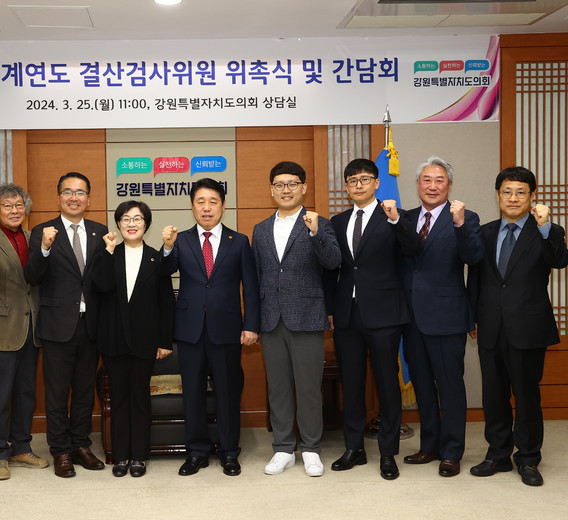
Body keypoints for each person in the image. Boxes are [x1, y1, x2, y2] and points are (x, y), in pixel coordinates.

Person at [468, 166, 568, 487]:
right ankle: (498, 454)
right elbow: (476, 280)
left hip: (528, 327)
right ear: (497, 195)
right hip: (490, 326)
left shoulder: (546, 231)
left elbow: (559, 260)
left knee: (526, 397)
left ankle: (528, 458)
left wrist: (545, 226)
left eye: (521, 192)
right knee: (493, 396)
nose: (513, 198)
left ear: (532, 196)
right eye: (507, 192)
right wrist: (472, 317)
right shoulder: (484, 233)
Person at [325, 158, 423, 480]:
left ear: (377, 183)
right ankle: (354, 449)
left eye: (364, 179)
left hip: (384, 314)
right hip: (347, 316)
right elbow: (333, 269)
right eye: (352, 180)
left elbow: (414, 250)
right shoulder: (338, 221)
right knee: (352, 385)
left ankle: (388, 452)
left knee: (386, 384)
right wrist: (330, 308)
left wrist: (395, 221)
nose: (358, 185)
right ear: (346, 186)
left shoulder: (395, 215)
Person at [162, 177, 260, 477]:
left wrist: (251, 325)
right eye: (200, 202)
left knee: (227, 392)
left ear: (223, 206)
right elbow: (164, 272)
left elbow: (251, 287)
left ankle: (229, 452)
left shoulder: (239, 241)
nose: (207, 208)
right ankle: (197, 452)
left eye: (213, 202)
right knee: (192, 393)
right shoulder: (180, 240)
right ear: (192, 207)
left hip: (227, 328)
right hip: (190, 329)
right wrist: (166, 248)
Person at [251, 161, 341, 477]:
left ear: (303, 187)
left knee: (308, 388)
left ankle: (312, 449)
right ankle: (283, 448)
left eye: (292, 184)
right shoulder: (260, 229)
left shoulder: (319, 223)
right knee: (277, 388)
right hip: (271, 318)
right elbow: (258, 276)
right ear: (271, 190)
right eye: (279, 184)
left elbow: (333, 262)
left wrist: (316, 233)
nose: (286, 189)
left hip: (307, 316)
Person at [399, 157, 483, 478]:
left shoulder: (465, 217)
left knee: (450, 388)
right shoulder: (405, 218)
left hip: (447, 317)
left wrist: (460, 225)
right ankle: (430, 445)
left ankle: (451, 451)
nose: (432, 186)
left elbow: (473, 257)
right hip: (411, 319)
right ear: (417, 184)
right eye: (426, 180)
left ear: (449, 185)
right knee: (422, 386)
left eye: (439, 180)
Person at [24, 172, 109, 478]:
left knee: (85, 391)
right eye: (68, 192)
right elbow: (32, 276)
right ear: (58, 197)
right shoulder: (42, 231)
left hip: (91, 325)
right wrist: (45, 249)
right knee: (57, 394)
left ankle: (81, 445)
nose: (74, 197)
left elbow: (103, 281)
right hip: (57, 325)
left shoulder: (101, 232)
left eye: (80, 192)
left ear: (89, 198)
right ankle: (60, 450)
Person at [91, 201, 175, 477]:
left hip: (145, 340)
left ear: (146, 224)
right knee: (119, 398)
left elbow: (166, 303)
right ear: (118, 224)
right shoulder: (108, 254)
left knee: (139, 397)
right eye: (126, 218)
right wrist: (107, 251)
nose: (131, 223)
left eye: (137, 219)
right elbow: (101, 284)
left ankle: (139, 456)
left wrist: (165, 341)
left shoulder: (155, 258)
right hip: (112, 339)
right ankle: (120, 457)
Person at [0, 183, 48, 481]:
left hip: (31, 328)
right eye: (7, 206)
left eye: (19, 205)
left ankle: (21, 447)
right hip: (1, 329)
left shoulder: (32, 237)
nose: (14, 210)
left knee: (26, 392)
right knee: (0, 395)